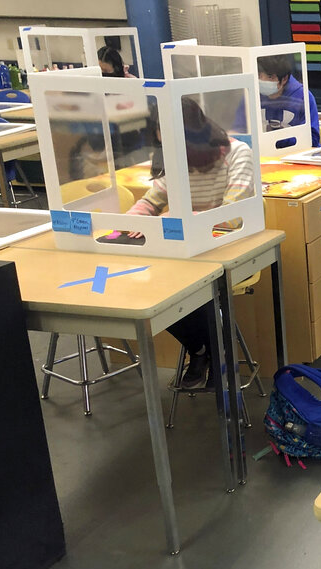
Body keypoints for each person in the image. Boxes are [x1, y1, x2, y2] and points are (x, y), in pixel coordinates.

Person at [123, 99, 255, 388]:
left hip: (228, 247)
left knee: (181, 288)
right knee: (149, 293)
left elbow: (232, 217)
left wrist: (182, 218)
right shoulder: (177, 155)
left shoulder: (237, 154)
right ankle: (203, 350)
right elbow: (153, 199)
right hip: (186, 250)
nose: (162, 142)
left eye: (167, 134)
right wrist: (132, 223)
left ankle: (212, 351)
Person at [256, 54, 320, 147]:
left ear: (284, 79)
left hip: (296, 154)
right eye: (259, 76)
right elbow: (239, 130)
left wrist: (274, 141)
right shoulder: (252, 96)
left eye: (270, 77)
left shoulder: (303, 97)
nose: (262, 80)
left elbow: (312, 138)